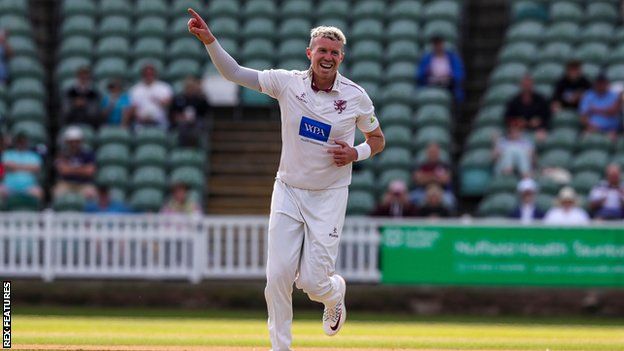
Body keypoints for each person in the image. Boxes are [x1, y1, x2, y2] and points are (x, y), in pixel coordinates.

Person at [188, 8, 385, 350]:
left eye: (334, 52)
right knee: (277, 276)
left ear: (342, 57)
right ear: (310, 53)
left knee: (312, 283)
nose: (328, 57)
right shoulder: (287, 82)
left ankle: (334, 293)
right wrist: (210, 41)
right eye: (322, 50)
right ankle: (281, 347)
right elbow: (233, 72)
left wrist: (356, 153)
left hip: (329, 195)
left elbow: (378, 140)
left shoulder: (356, 96)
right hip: (289, 190)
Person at [416, 36, 464, 102]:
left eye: (439, 44)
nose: (438, 46)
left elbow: (458, 74)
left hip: (448, 85)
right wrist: (426, 72)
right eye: (436, 44)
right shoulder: (427, 58)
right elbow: (420, 74)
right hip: (430, 84)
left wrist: (450, 76)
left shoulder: (452, 58)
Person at [53, 127, 97, 200]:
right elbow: (63, 171)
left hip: (84, 184)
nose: (74, 144)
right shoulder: (62, 154)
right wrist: (82, 169)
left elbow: (90, 171)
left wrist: (70, 169)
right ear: (67, 142)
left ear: (81, 141)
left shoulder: (88, 154)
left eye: (76, 141)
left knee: (91, 194)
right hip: (66, 183)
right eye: (71, 141)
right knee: (57, 192)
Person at [409, 142, 455, 210]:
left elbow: (445, 180)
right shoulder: (421, 165)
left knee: (449, 200)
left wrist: (426, 176)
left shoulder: (445, 165)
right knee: (412, 197)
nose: (433, 154)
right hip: (423, 192)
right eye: (431, 152)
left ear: (438, 153)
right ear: (427, 153)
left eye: (435, 152)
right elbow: (419, 180)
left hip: (442, 192)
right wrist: (435, 177)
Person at [504, 74, 550, 139]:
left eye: (528, 84)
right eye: (525, 85)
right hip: (519, 130)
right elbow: (508, 118)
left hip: (538, 129)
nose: (527, 87)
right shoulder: (514, 101)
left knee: (541, 136)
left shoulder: (541, 100)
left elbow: (547, 115)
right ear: (521, 85)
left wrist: (539, 121)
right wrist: (518, 122)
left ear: (532, 85)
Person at [0, 132, 43, 202]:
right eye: (19, 141)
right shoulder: (8, 154)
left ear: (27, 142)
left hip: (29, 187)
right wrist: (27, 167)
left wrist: (15, 166)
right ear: (16, 142)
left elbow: (36, 168)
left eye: (23, 141)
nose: (21, 143)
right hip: (9, 186)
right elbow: (6, 166)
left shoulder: (33, 155)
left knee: (38, 192)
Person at [128, 63, 173, 130]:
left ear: (155, 74)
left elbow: (169, 105)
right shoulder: (135, 90)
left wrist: (158, 101)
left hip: (160, 123)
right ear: (142, 75)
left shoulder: (164, 87)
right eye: (146, 74)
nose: (149, 76)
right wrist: (141, 118)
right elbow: (132, 109)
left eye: (151, 74)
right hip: (141, 124)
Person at [169, 76, 209, 147]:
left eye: (191, 87)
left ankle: (195, 146)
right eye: (188, 87)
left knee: (198, 127)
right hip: (182, 121)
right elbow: (173, 112)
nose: (190, 89)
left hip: (197, 120)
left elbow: (205, 111)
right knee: (182, 127)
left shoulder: (199, 99)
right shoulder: (179, 99)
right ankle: (183, 147)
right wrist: (180, 117)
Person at [579, 74, 621, 139]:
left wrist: (595, 109)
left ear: (607, 83)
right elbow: (583, 116)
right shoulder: (588, 95)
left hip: (610, 129)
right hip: (592, 128)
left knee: (612, 140)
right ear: (595, 84)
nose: (601, 85)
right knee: (584, 138)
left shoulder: (613, 95)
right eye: (599, 83)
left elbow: (614, 111)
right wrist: (590, 125)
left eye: (603, 83)